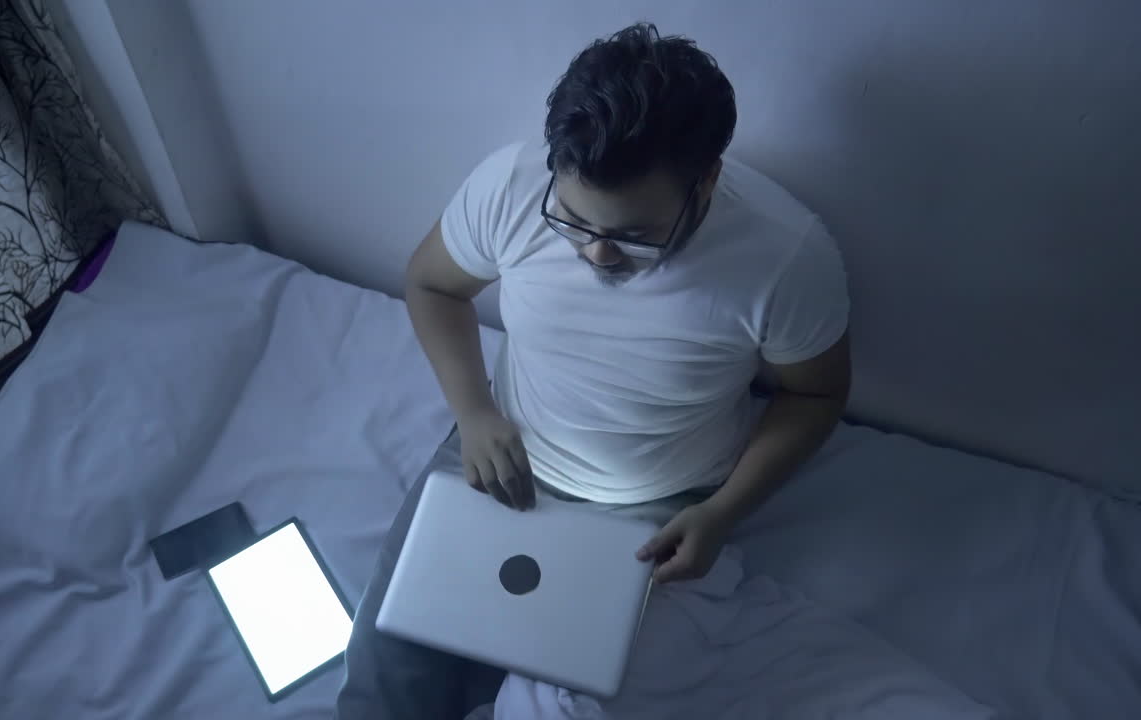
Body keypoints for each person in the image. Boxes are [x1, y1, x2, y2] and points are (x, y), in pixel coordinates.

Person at [335, 22, 850, 718]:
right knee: (385, 685)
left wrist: (723, 513)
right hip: (498, 457)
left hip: (657, 506)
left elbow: (815, 394)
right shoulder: (510, 187)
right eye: (575, 224)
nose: (599, 257)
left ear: (707, 181)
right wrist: (475, 413)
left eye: (634, 237)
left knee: (552, 696)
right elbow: (431, 284)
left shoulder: (786, 258)